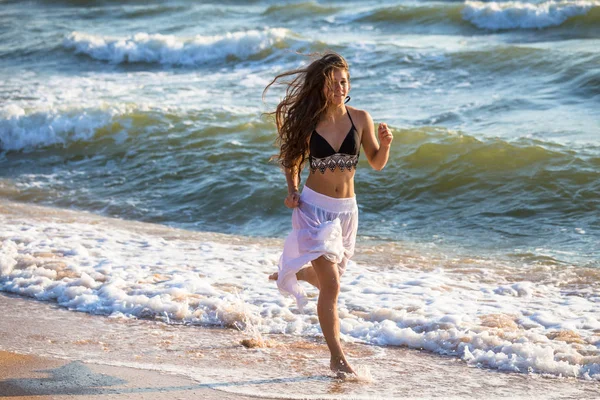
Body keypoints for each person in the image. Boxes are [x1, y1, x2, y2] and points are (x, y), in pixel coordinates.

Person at [263, 52, 393, 377]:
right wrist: (292, 190)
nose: (339, 87)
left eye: (343, 81)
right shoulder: (310, 122)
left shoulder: (360, 118)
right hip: (313, 210)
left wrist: (387, 145)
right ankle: (337, 358)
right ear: (321, 86)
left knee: (330, 281)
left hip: (346, 213)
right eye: (333, 82)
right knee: (332, 287)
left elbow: (376, 162)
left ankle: (303, 273)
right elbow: (292, 160)